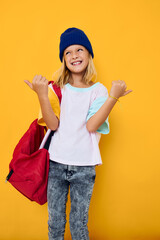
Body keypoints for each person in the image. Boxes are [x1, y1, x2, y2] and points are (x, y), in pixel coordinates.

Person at [24, 27, 132, 240]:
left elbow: (92, 126)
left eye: (80, 50)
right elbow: (52, 125)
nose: (74, 55)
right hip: (56, 163)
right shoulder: (57, 88)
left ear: (89, 55)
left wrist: (113, 97)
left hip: (84, 167)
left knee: (78, 222)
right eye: (68, 52)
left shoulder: (98, 90)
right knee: (55, 221)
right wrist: (42, 95)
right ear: (63, 59)